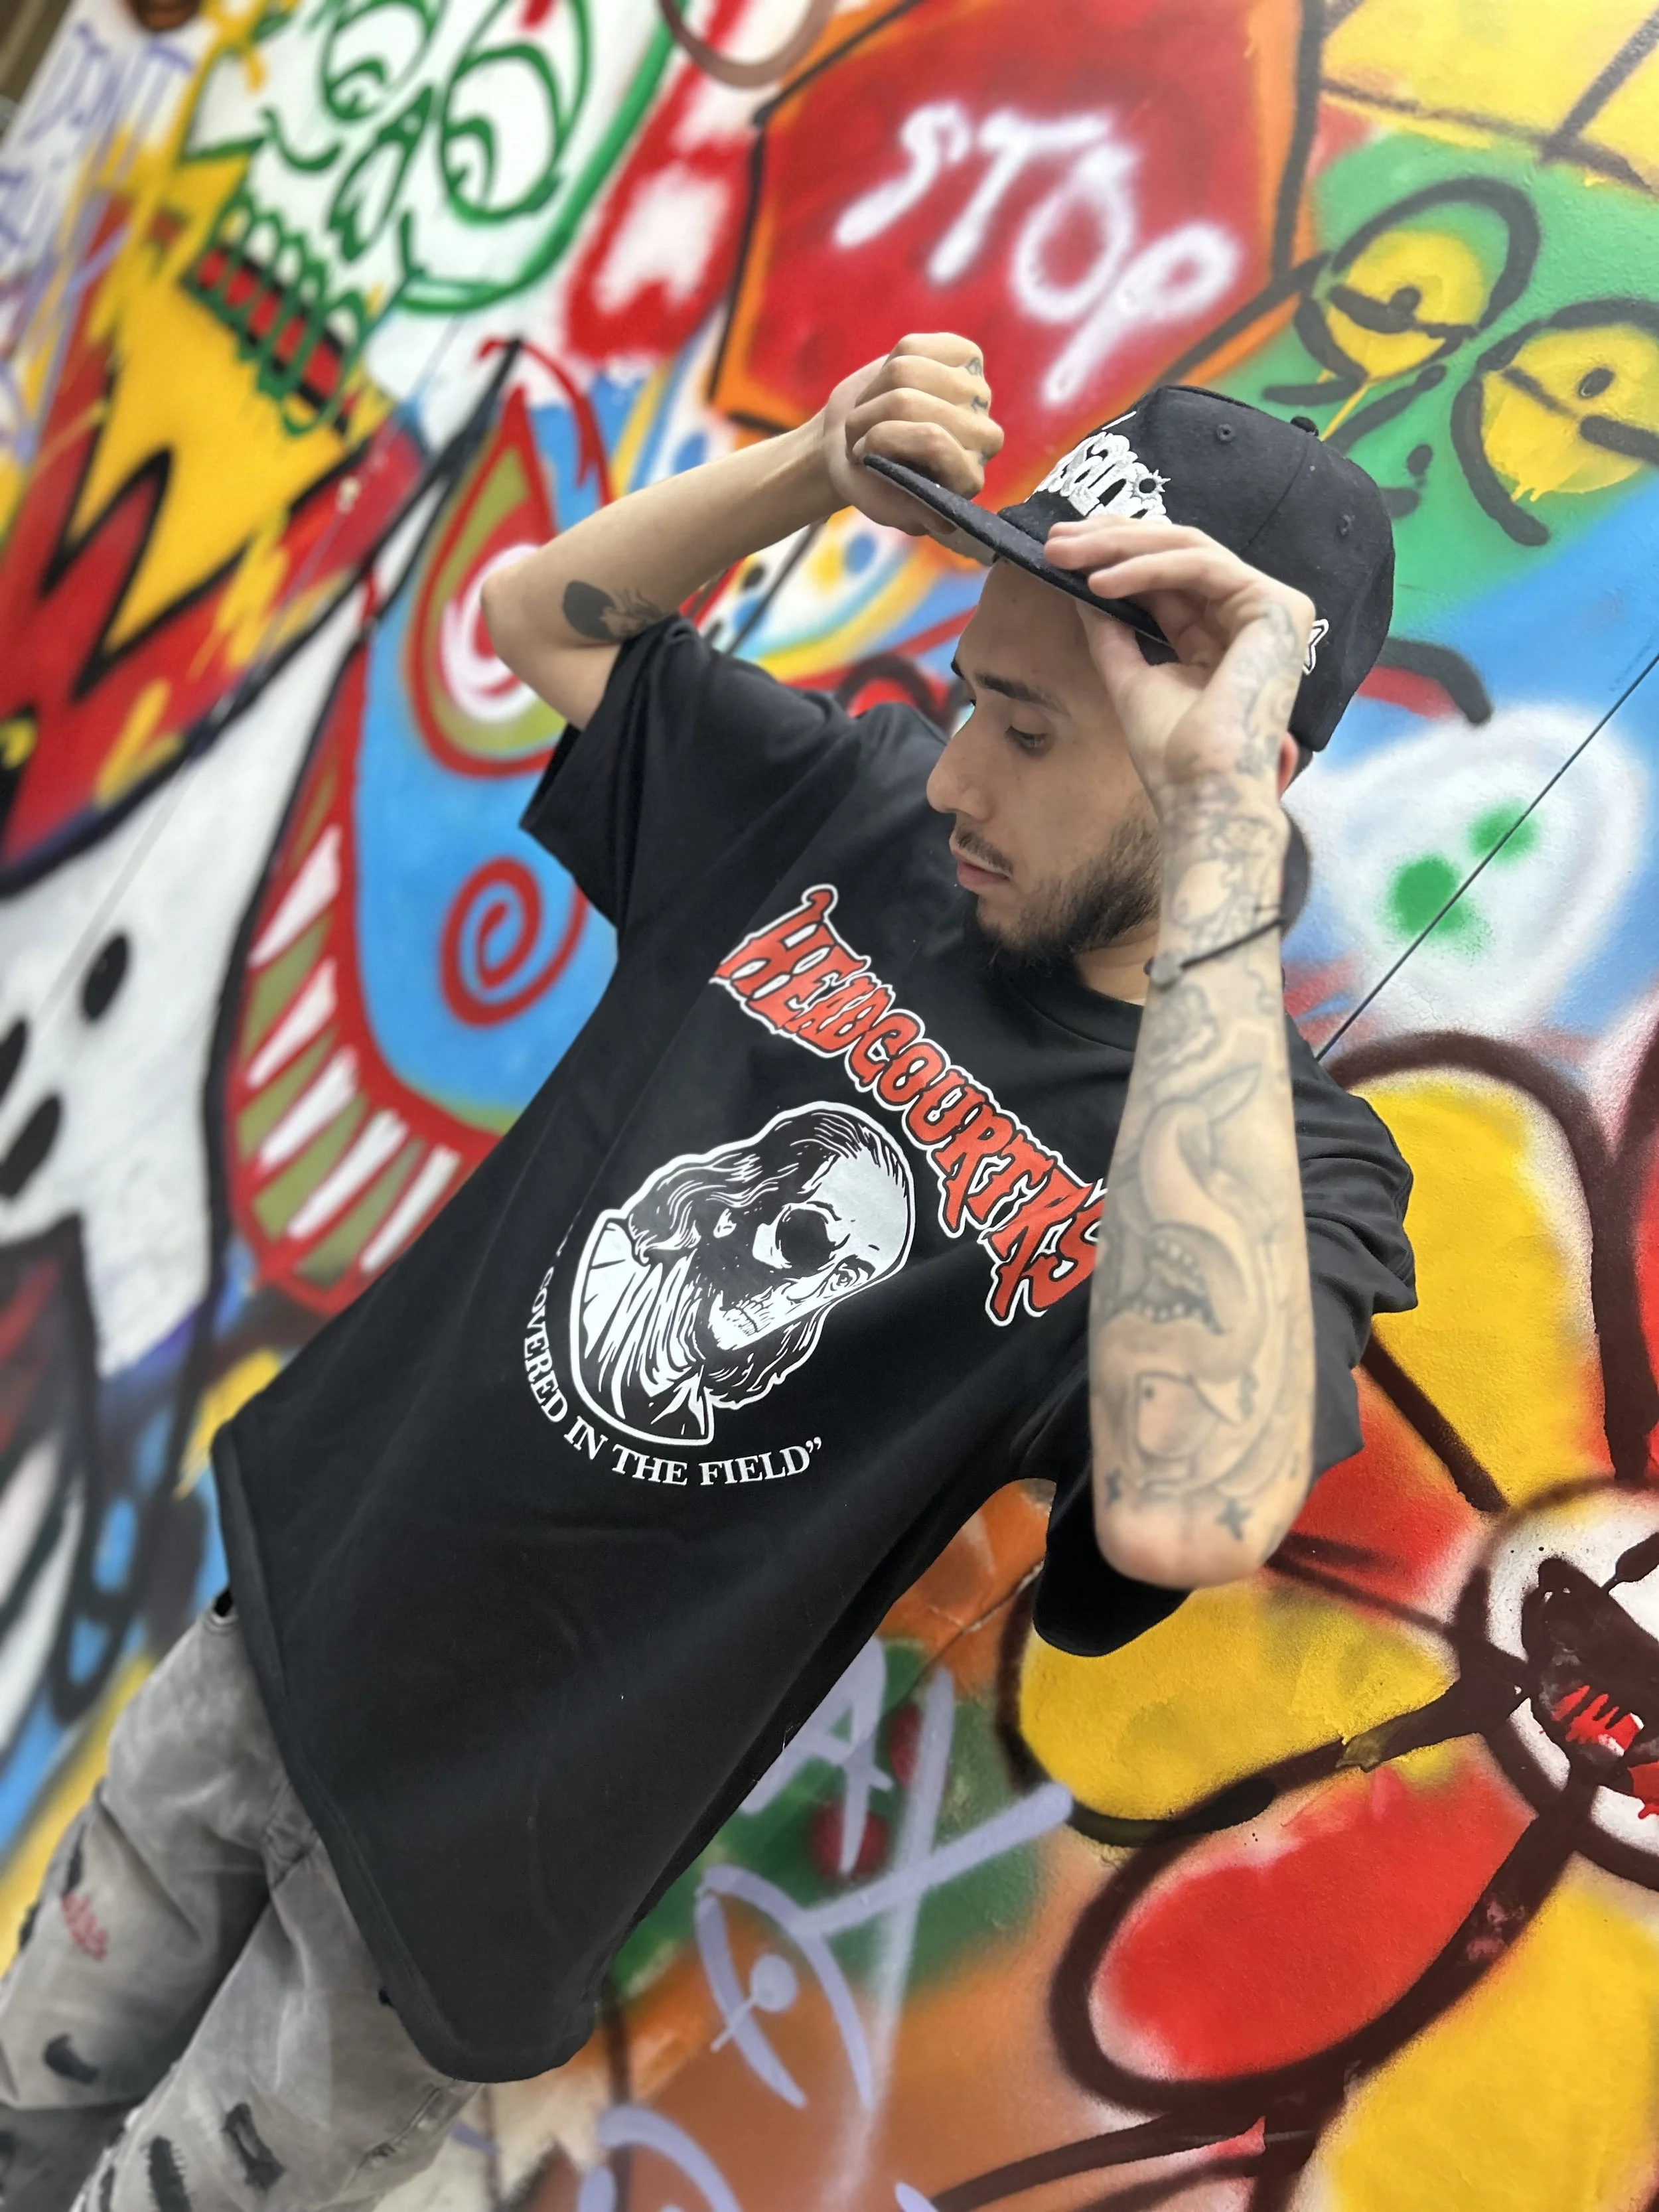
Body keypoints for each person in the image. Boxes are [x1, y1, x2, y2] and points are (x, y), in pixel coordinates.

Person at [0, 334, 1415, 2209]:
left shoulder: (1265, 1163)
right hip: (290, 1625)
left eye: (1034, 730)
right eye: (971, 695)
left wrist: (1226, 824)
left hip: (470, 1876)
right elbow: (540, 615)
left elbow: (1184, 1500)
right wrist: (810, 465)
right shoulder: (849, 811)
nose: (955, 777)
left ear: (1245, 764)